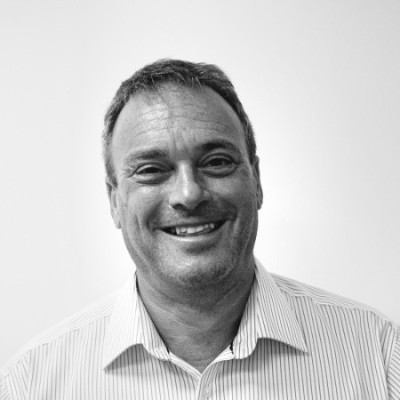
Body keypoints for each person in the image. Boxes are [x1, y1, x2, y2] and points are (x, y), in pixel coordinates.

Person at [1, 59, 399, 399]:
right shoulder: (33, 381)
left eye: (217, 162)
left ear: (257, 181)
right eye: (151, 170)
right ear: (114, 201)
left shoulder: (379, 356)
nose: (189, 194)